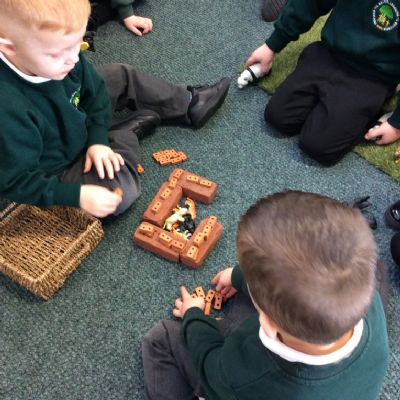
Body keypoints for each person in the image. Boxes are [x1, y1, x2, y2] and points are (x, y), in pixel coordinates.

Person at [142, 190, 389, 400]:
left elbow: (211, 365)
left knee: (160, 338)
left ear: (267, 325)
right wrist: (238, 276)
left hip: (245, 386)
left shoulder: (244, 371)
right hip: (343, 381)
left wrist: (194, 315)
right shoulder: (370, 300)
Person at [0, 0, 230, 218]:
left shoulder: (64, 56)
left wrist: (98, 141)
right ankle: (124, 134)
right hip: (58, 168)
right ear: (9, 47)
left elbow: (96, 93)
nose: (74, 60)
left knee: (119, 74)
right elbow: (16, 182)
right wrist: (76, 195)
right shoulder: (8, 111)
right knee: (120, 192)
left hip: (73, 120)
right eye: (58, 53)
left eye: (77, 44)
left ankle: (189, 103)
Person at [245, 0, 400, 165]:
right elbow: (310, 4)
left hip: (373, 76)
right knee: (277, 117)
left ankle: (376, 106)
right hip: (329, 53)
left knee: (318, 146)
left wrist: (396, 124)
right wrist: (272, 46)